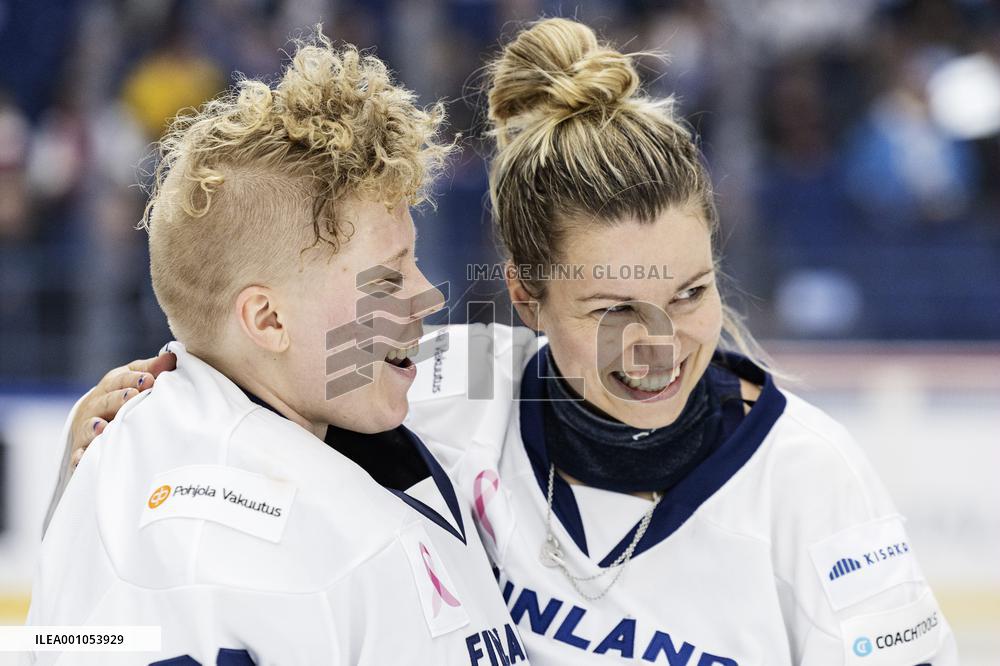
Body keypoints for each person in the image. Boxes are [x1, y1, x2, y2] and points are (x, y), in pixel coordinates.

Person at [54, 18, 957, 666]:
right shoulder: (442, 391)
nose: (659, 344)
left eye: (690, 293)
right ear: (525, 296)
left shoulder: (809, 481)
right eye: (610, 308)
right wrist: (131, 433)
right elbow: (262, 369)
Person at [28, 32, 528, 665]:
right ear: (267, 320)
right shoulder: (335, 552)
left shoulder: (114, 455)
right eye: (388, 277)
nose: (428, 295)